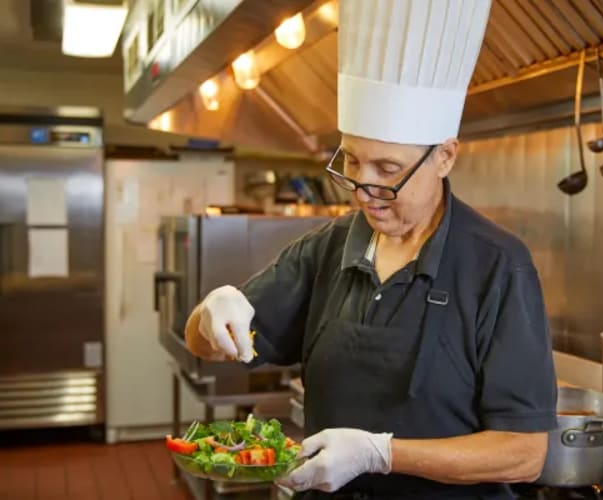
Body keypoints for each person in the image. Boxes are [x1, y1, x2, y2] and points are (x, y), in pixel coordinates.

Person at [184, 1, 557, 497]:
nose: (362, 189)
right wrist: (210, 314)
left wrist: (379, 454)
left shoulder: (498, 267)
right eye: (353, 162)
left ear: (445, 156)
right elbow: (204, 346)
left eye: (386, 170)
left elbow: (524, 454)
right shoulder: (326, 250)